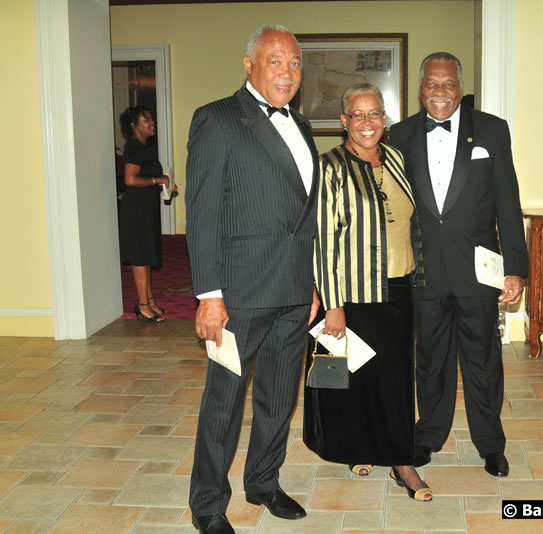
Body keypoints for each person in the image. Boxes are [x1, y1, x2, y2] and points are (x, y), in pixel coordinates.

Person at [185, 25, 319, 534]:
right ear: (250, 65)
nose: (287, 72)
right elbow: (201, 216)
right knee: (225, 400)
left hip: (291, 291)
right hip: (237, 294)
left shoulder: (303, 126)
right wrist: (209, 296)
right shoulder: (217, 119)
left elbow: (303, 217)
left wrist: (310, 284)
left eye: (295, 63)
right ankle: (208, 503)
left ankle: (263, 479)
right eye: (275, 61)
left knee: (280, 395)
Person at [389, 52, 528, 478]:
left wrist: (516, 269)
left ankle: (491, 444)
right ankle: (428, 435)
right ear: (420, 88)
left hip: (478, 271)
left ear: (461, 88)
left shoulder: (491, 130)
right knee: (430, 359)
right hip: (425, 270)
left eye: (448, 84)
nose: (440, 93)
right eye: (431, 84)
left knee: (482, 359)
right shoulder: (400, 134)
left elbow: (508, 201)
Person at [304, 83, 432, 502]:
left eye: (374, 113)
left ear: (385, 119)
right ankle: (360, 448)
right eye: (357, 115)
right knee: (356, 377)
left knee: (395, 378)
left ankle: (400, 460)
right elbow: (323, 239)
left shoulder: (395, 159)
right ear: (343, 121)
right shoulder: (330, 167)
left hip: (399, 286)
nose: (366, 122)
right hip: (354, 291)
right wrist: (333, 305)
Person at [118, 105, 175, 322]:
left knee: (147, 255)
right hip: (136, 211)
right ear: (134, 126)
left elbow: (147, 177)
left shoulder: (143, 148)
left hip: (145, 208)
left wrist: (165, 184)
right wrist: (156, 180)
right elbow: (130, 180)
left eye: (151, 118)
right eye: (146, 120)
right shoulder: (133, 147)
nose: (152, 123)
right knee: (140, 257)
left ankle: (149, 300)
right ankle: (142, 305)